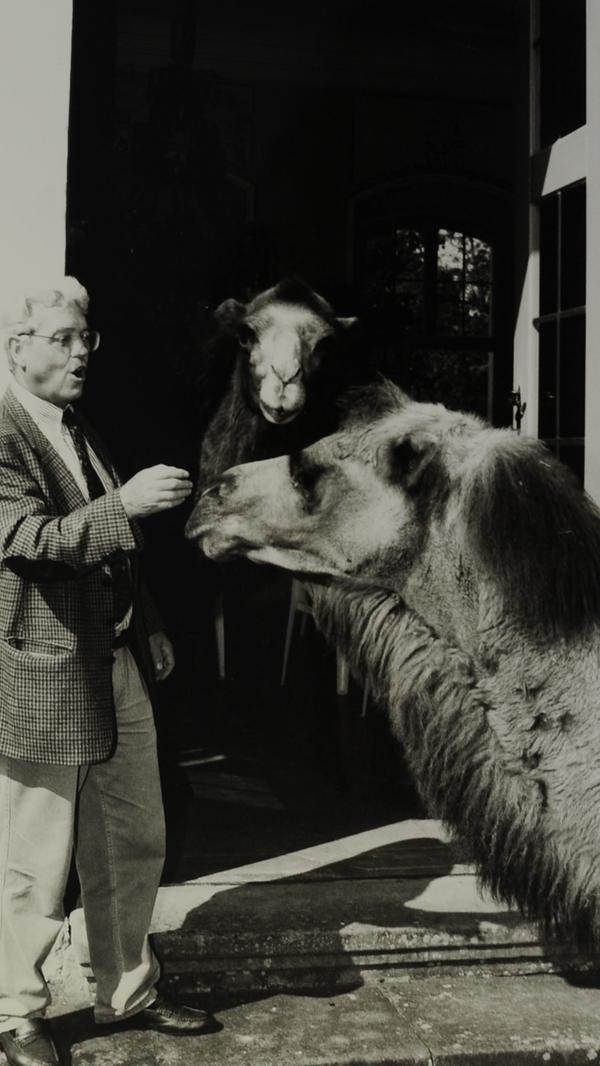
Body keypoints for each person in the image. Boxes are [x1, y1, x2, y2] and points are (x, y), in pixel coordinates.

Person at [0, 277, 217, 1066]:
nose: (81, 351)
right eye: (62, 337)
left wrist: (149, 622)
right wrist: (124, 503)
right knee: (34, 855)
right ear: (18, 347)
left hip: (114, 658)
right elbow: (32, 540)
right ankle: (16, 1012)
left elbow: (111, 548)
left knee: (132, 834)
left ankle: (125, 991)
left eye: (86, 337)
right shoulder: (3, 431)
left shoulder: (73, 425)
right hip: (45, 669)